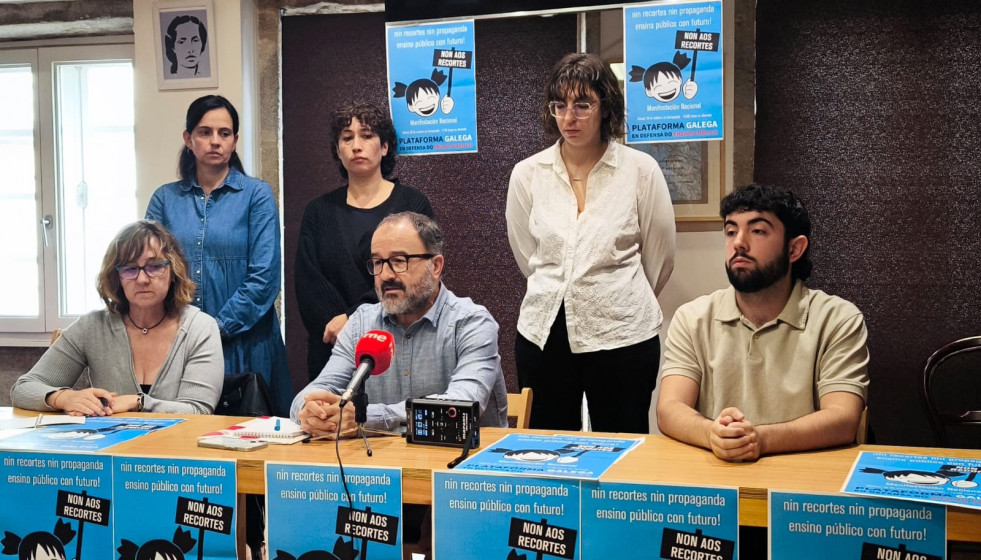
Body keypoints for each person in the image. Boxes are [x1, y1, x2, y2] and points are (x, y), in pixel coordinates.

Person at [505, 52, 676, 433]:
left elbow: (660, 258)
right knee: (545, 453)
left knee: (623, 451)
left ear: (606, 107)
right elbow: (528, 256)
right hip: (544, 332)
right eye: (559, 105)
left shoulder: (640, 170)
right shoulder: (528, 174)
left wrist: (615, 295)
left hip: (622, 333)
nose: (569, 117)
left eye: (582, 105)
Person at [657, 183, 870, 462]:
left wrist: (760, 439)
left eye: (757, 231)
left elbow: (843, 419)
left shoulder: (838, 319)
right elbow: (670, 408)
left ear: (795, 249)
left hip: (804, 481)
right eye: (731, 231)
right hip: (716, 479)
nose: (738, 243)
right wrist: (712, 434)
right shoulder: (693, 317)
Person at [291, 212, 508, 437]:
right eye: (377, 262)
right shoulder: (360, 324)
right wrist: (312, 412)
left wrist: (364, 417)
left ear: (435, 266)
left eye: (398, 261)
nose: (385, 275)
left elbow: (460, 406)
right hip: (380, 466)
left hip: (463, 464)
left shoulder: (472, 323)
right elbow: (313, 393)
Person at [146, 95, 292, 416]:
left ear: (235, 141)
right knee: (183, 445)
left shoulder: (257, 194)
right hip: (180, 343)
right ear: (188, 139)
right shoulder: (164, 199)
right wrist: (185, 332)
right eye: (204, 132)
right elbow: (151, 271)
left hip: (247, 342)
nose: (215, 141)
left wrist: (214, 329)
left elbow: (264, 278)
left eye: (224, 134)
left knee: (252, 446)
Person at [11, 220, 223, 415]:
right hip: (109, 454)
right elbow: (23, 389)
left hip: (176, 452)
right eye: (130, 269)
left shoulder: (200, 328)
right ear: (116, 276)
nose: (142, 279)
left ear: (174, 270)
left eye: (155, 266)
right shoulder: (92, 327)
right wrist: (64, 397)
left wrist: (139, 402)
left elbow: (199, 411)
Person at [295, 101, 433, 381]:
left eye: (367, 136)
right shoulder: (318, 212)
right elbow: (308, 284)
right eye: (347, 138)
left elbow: (417, 276)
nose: (356, 145)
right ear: (338, 151)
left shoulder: (413, 204)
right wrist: (341, 328)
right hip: (332, 347)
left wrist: (353, 318)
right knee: (330, 421)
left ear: (384, 147)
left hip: (398, 341)